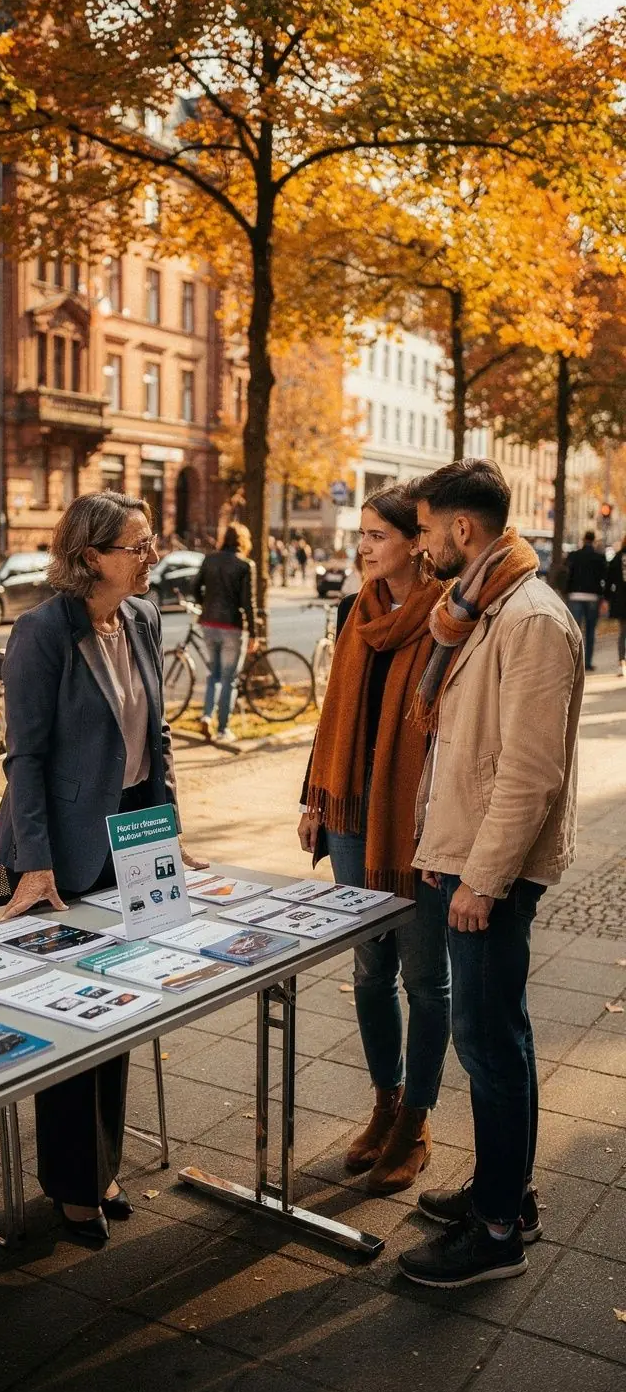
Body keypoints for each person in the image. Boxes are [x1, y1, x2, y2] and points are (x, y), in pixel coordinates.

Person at [0, 491, 204, 1245]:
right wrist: (38, 864)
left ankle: (102, 1166)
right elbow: (27, 757)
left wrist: (171, 833)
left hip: (134, 842)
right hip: (68, 852)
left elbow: (161, 737)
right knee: (67, 1017)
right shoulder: (44, 631)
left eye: (153, 544)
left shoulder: (141, 617)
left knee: (120, 1009)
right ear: (90, 558)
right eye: (138, 548)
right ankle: (71, 1186)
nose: (153, 558)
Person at [398, 458, 583, 1289]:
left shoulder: (530, 619)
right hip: (461, 855)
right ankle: (504, 1192)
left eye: (428, 529)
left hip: (486, 871)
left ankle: (498, 1232)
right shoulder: (485, 606)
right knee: (495, 1038)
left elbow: (530, 771)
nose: (422, 543)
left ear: (461, 531)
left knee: (488, 1043)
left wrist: (481, 879)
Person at [298, 484, 451, 1194]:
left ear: (415, 542)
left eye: (376, 536)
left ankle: (417, 1119)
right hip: (353, 813)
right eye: (361, 535)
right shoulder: (355, 607)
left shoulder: (450, 616)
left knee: (424, 978)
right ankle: (385, 1101)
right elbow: (334, 707)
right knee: (369, 970)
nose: (361, 547)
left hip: (415, 822)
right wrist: (313, 798)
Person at [193, 523, 257, 743]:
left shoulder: (209, 559)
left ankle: (206, 715)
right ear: (243, 541)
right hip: (232, 626)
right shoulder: (245, 565)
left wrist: (205, 605)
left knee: (214, 674)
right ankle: (223, 729)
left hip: (209, 623)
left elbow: (195, 587)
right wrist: (255, 633)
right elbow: (248, 603)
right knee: (229, 679)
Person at [565, 530, 606, 671]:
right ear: (594, 540)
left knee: (574, 631)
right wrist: (602, 597)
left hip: (575, 595)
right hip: (592, 597)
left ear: (583, 539)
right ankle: (587, 663)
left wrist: (567, 592)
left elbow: (567, 575)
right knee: (590, 631)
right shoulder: (599, 558)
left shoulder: (574, 556)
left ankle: (574, 663)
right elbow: (603, 578)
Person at [607, 534, 626, 678]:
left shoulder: (617, 557)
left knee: (622, 633)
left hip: (621, 600)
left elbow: (609, 580)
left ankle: (621, 663)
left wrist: (609, 598)